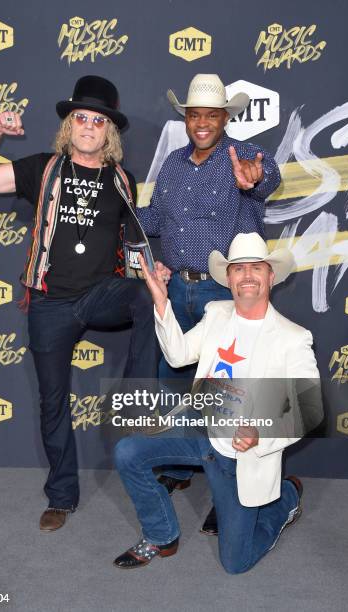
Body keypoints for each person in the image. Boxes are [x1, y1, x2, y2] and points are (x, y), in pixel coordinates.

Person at [0, 75, 167, 532]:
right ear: (69, 124)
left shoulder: (120, 180)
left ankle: (137, 402)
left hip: (99, 295)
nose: (89, 126)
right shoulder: (42, 167)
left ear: (108, 131)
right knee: (53, 402)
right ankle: (62, 496)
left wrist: (153, 273)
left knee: (144, 296)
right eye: (82, 118)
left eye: (98, 120)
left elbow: (132, 240)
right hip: (50, 303)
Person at [113, 232, 322, 573]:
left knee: (235, 563)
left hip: (238, 458)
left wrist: (261, 435)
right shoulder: (216, 313)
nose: (248, 276)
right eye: (239, 269)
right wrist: (161, 301)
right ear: (228, 278)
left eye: (257, 267)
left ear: (271, 275)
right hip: (199, 431)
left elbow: (310, 411)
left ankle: (285, 499)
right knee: (127, 452)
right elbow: (179, 355)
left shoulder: (292, 338)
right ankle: (161, 534)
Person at [137, 73, 282, 525]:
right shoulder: (174, 165)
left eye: (211, 115)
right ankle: (181, 464)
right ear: (186, 118)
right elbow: (156, 218)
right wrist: (116, 211)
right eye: (194, 114)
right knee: (173, 381)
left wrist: (253, 182)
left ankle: (228, 490)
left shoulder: (245, 156)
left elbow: (266, 179)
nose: (202, 122)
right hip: (178, 286)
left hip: (224, 289)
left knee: (226, 391)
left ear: (224, 118)